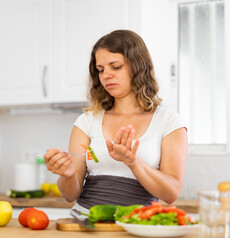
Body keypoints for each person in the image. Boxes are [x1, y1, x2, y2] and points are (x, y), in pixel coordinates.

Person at [44, 29, 188, 214]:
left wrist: (133, 162)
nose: (106, 75)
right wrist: (68, 174)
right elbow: (70, 194)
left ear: (138, 66)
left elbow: (171, 193)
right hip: (84, 225)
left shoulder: (169, 122)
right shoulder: (87, 122)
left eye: (116, 66)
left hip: (137, 227)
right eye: (101, 69)